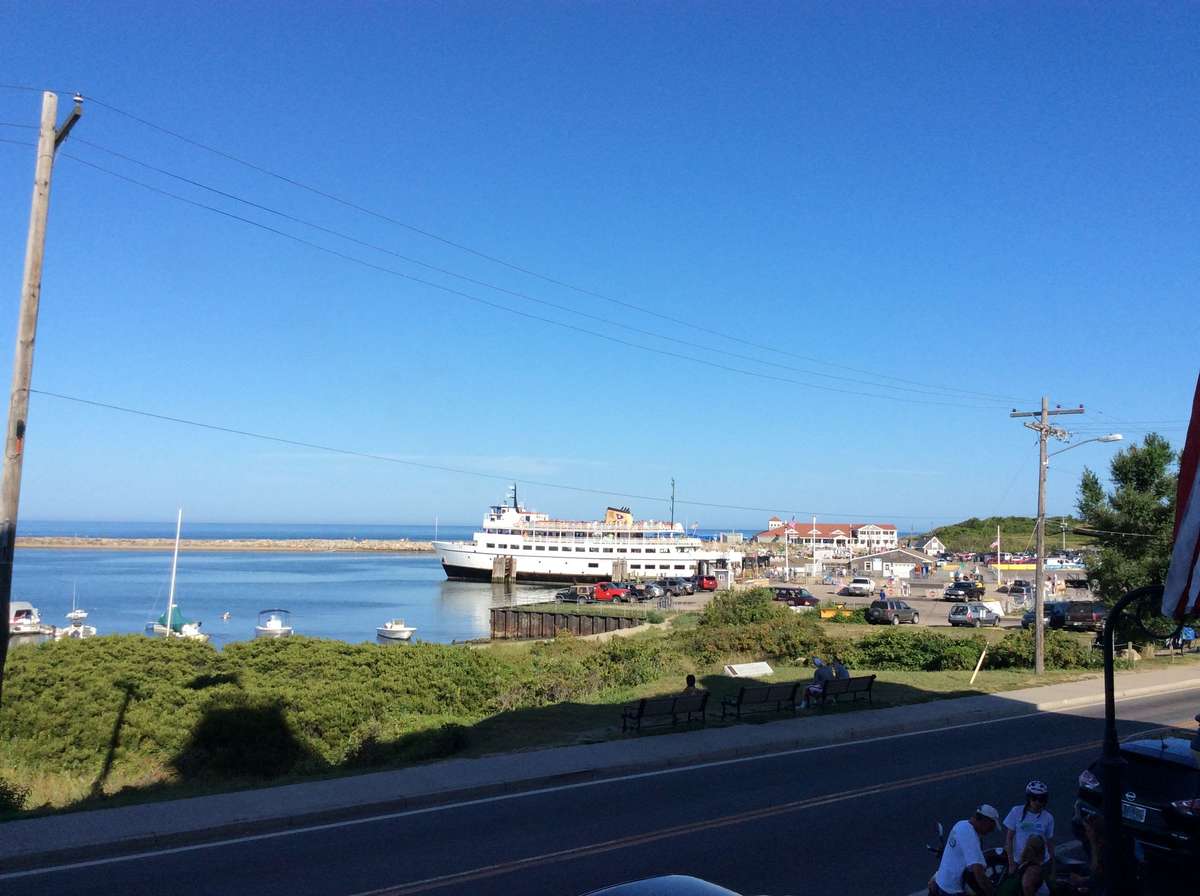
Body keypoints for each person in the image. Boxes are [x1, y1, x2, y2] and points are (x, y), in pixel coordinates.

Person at [929, 804, 1001, 896]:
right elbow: (978, 872)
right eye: (991, 827)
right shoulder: (971, 837)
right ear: (985, 821)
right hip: (952, 891)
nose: (991, 831)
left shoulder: (960, 824)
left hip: (942, 883)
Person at [1004, 780, 1054, 882]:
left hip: (1039, 862)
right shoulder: (1016, 812)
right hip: (1019, 861)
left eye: (1041, 799)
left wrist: (1053, 869)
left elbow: (1049, 843)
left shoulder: (1048, 818)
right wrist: (1011, 864)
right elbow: (1009, 839)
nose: (1037, 802)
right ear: (1028, 798)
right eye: (1034, 798)